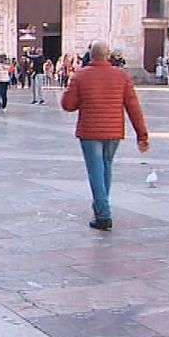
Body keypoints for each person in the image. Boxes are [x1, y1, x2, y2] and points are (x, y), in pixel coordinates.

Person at [61, 40, 149, 231]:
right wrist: (142, 135)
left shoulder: (80, 76)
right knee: (106, 167)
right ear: (108, 55)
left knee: (95, 170)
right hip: (113, 131)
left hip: (90, 131)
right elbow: (133, 107)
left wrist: (79, 94)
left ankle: (103, 214)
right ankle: (101, 206)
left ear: (91, 55)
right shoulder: (121, 75)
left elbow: (67, 105)